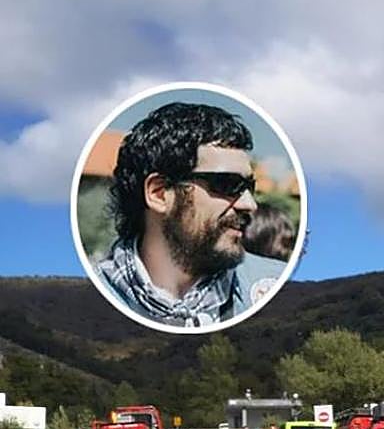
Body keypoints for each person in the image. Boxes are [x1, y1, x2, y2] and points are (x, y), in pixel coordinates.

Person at [96, 101, 284, 327]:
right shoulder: (90, 300)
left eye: (249, 188)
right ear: (159, 194)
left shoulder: (278, 286)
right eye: (227, 184)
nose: (249, 204)